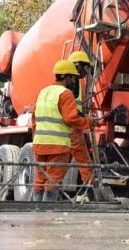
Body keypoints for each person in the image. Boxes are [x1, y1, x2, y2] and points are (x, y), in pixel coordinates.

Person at [32, 60, 95, 201]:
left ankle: (36, 211)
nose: (74, 80)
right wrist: (89, 122)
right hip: (57, 146)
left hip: (40, 144)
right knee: (52, 180)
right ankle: (47, 212)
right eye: (73, 78)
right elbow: (70, 119)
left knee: (40, 179)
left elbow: (34, 120)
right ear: (66, 77)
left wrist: (36, 138)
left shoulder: (43, 92)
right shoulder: (65, 94)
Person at [68, 51, 95, 186]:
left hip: (73, 125)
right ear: (78, 66)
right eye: (85, 68)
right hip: (71, 126)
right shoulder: (71, 83)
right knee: (83, 158)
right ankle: (90, 186)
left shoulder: (74, 82)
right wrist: (86, 119)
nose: (86, 73)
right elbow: (70, 108)